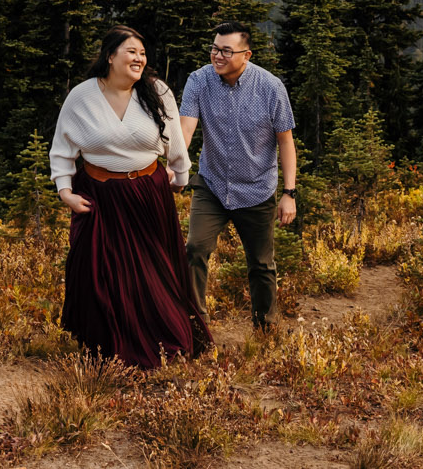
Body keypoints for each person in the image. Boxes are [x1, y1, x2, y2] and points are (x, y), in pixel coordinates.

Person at [50, 26, 210, 368]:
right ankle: (106, 346)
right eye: (131, 52)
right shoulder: (82, 96)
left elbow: (175, 144)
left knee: (153, 272)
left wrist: (179, 176)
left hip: (147, 194)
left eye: (142, 52)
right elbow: (62, 149)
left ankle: (163, 342)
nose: (139, 58)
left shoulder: (156, 91)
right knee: (98, 273)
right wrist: (65, 191)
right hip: (97, 196)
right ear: (110, 56)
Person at [179, 22, 297, 331]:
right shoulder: (198, 81)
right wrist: (175, 164)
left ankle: (266, 328)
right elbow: (186, 130)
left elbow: (285, 140)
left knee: (261, 263)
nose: (217, 56)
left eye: (226, 51)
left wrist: (289, 192)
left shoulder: (271, 88)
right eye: (215, 48)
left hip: (257, 188)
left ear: (246, 55)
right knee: (195, 249)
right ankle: (196, 328)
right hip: (212, 184)